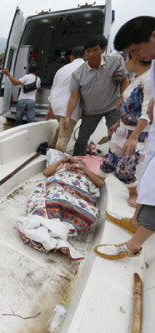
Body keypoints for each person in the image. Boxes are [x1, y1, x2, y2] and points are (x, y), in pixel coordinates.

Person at [94, 16, 155, 260]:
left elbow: (143, 114)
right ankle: (134, 220)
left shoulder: (147, 77)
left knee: (148, 185)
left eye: (135, 51)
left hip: (140, 135)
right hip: (141, 135)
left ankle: (133, 247)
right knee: (146, 182)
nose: (136, 57)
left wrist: (135, 134)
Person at [97, 53, 152, 208]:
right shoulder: (136, 77)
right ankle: (97, 183)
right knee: (109, 162)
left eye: (125, 60)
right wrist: (119, 122)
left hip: (138, 133)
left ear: (134, 59)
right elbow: (131, 107)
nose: (125, 64)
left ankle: (133, 193)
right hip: (123, 129)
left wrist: (134, 137)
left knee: (124, 169)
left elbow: (146, 112)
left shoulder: (149, 79)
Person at [64, 35, 129, 156]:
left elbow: (124, 79)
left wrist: (123, 99)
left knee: (115, 136)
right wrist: (68, 116)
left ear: (103, 49)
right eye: (88, 51)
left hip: (113, 107)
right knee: (82, 138)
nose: (90, 54)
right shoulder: (77, 74)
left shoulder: (116, 61)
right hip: (91, 111)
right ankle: (78, 159)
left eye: (95, 50)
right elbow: (74, 96)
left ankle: (116, 161)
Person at [27, 150, 105, 234]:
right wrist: (63, 161)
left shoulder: (86, 173)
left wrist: (81, 167)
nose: (79, 161)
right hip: (60, 183)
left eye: (82, 162)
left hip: (77, 190)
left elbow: (100, 183)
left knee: (89, 214)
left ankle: (62, 221)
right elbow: (46, 172)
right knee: (56, 197)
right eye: (77, 160)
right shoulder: (62, 168)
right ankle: (51, 215)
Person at [46, 47, 85, 152]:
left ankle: (52, 145)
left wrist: (50, 108)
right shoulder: (85, 68)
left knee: (62, 127)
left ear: (71, 57)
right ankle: (56, 161)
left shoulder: (62, 69)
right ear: (85, 56)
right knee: (64, 138)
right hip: (69, 107)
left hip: (56, 105)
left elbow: (53, 88)